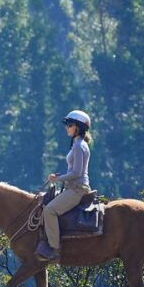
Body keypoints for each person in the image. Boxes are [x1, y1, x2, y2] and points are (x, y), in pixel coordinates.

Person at [36, 110, 92, 262]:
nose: (67, 127)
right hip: (73, 186)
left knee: (49, 211)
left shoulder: (79, 146)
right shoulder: (78, 145)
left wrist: (58, 179)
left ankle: (54, 249)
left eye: (69, 125)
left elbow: (77, 173)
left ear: (78, 128)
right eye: (67, 125)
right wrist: (60, 177)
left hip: (77, 189)